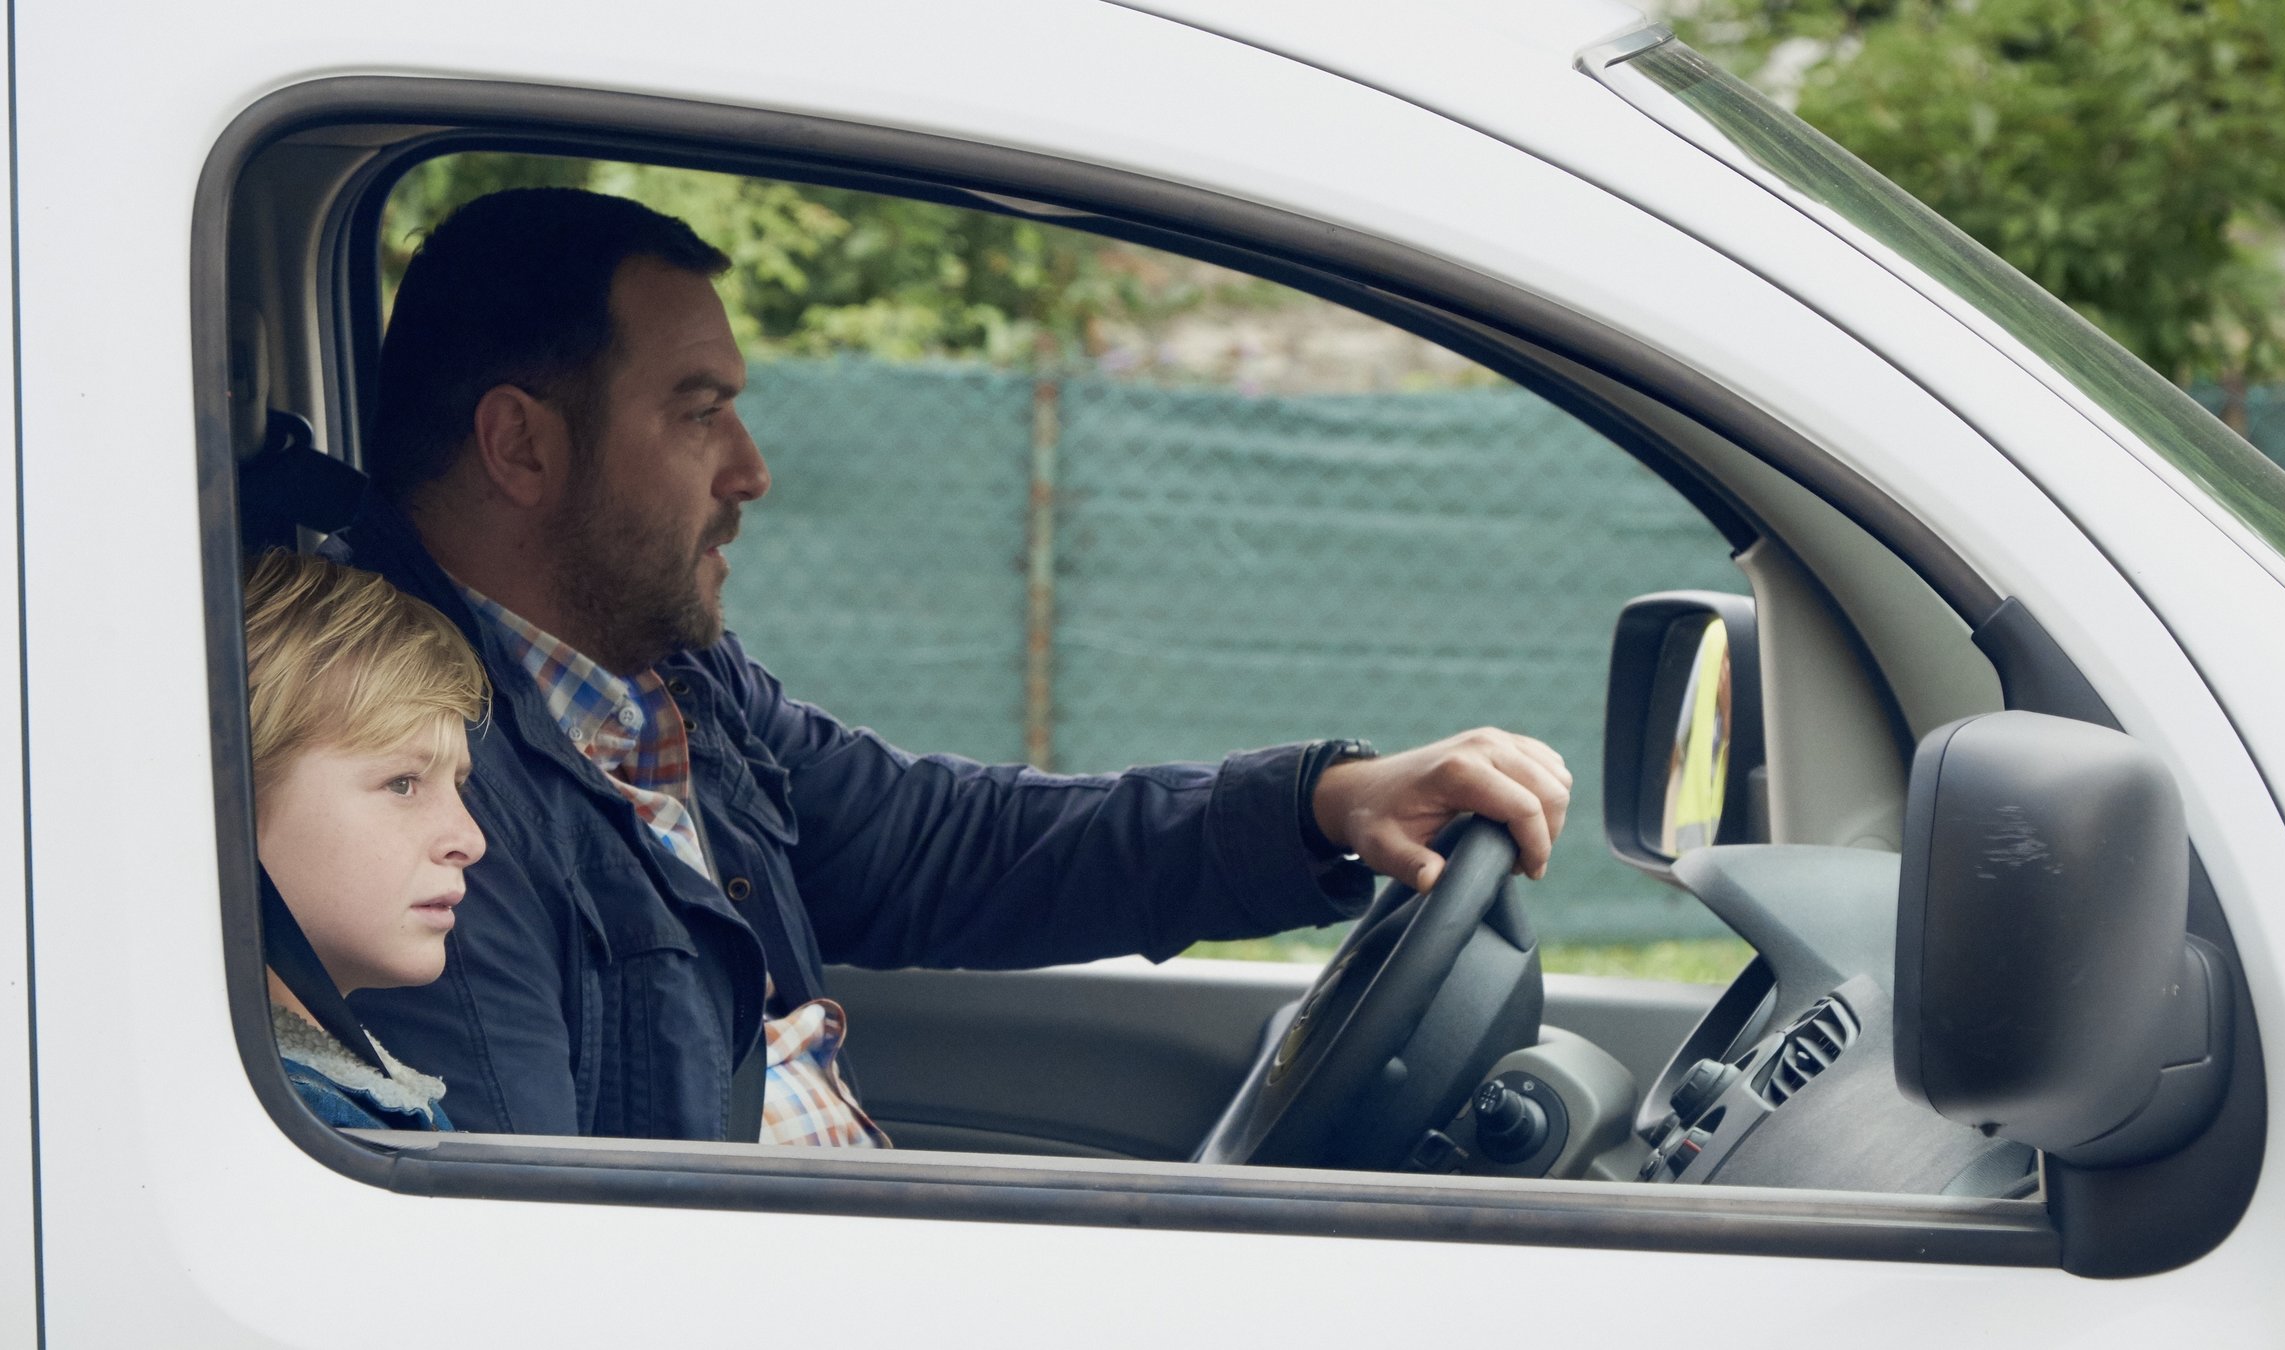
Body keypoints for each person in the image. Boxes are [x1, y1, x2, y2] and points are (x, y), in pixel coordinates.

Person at [338, 187, 1574, 1144]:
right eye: (699, 410)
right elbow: (518, 1247)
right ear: (519, 446)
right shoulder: (406, 798)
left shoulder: (670, 691)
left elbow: (949, 842)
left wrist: (1323, 807)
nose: (751, 471)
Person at [244, 549, 492, 1131]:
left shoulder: (327, 1094)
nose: (469, 840)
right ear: (230, 802)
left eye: (458, 786)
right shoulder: (305, 1124)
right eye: (403, 784)